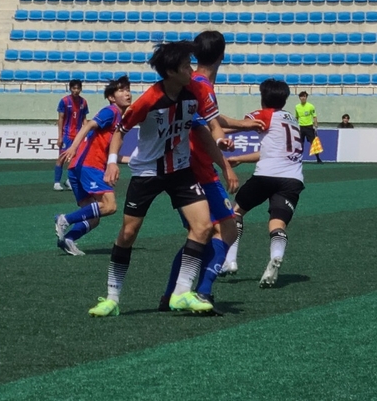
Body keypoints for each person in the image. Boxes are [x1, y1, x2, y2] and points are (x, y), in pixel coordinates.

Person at [87, 41, 239, 318]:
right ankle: (112, 297)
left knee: (203, 227)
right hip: (147, 173)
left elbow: (204, 128)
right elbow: (120, 131)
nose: (191, 70)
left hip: (181, 171)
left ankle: (181, 293)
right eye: (185, 67)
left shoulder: (196, 90)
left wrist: (223, 161)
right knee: (128, 234)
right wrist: (111, 163)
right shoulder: (148, 100)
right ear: (170, 72)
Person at [158, 30, 265, 313]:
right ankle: (203, 291)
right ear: (222, 55)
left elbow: (212, 119)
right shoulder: (202, 85)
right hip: (198, 168)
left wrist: (242, 126)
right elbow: (207, 125)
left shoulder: (192, 81)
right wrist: (225, 163)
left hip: (180, 166)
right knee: (226, 229)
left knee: (200, 233)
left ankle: (171, 294)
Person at [223, 78, 305, 288]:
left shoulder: (264, 114)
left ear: (263, 98)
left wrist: (207, 125)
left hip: (266, 175)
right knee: (277, 223)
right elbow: (272, 151)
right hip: (293, 179)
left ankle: (230, 260)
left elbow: (230, 127)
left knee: (237, 212)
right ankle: (276, 255)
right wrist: (242, 158)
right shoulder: (292, 120)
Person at [54, 76, 132, 256]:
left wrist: (136, 160)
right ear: (112, 97)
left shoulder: (120, 119)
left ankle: (69, 239)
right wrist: (73, 146)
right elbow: (88, 125)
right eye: (121, 90)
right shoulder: (111, 111)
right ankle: (64, 219)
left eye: (128, 89)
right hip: (89, 165)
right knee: (110, 206)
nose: (127, 93)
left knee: (94, 217)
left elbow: (111, 155)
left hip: (79, 167)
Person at [54, 79, 89, 191]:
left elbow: (84, 119)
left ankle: (69, 181)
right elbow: (60, 119)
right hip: (67, 135)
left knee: (77, 159)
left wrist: (86, 134)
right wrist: (60, 137)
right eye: (74, 88)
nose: (76, 90)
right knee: (62, 158)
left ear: (81, 89)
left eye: (78, 88)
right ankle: (56, 182)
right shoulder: (64, 101)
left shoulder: (83, 102)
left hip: (78, 136)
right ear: (70, 89)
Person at [294, 90, 322, 163]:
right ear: (299, 98)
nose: (303, 98)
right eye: (301, 96)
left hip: (309, 127)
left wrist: (316, 126)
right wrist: (294, 125)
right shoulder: (297, 107)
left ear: (306, 97)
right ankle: (298, 158)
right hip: (301, 127)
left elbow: (314, 116)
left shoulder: (310, 106)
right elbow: (296, 117)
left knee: (313, 143)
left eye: (304, 96)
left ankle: (318, 158)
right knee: (300, 144)